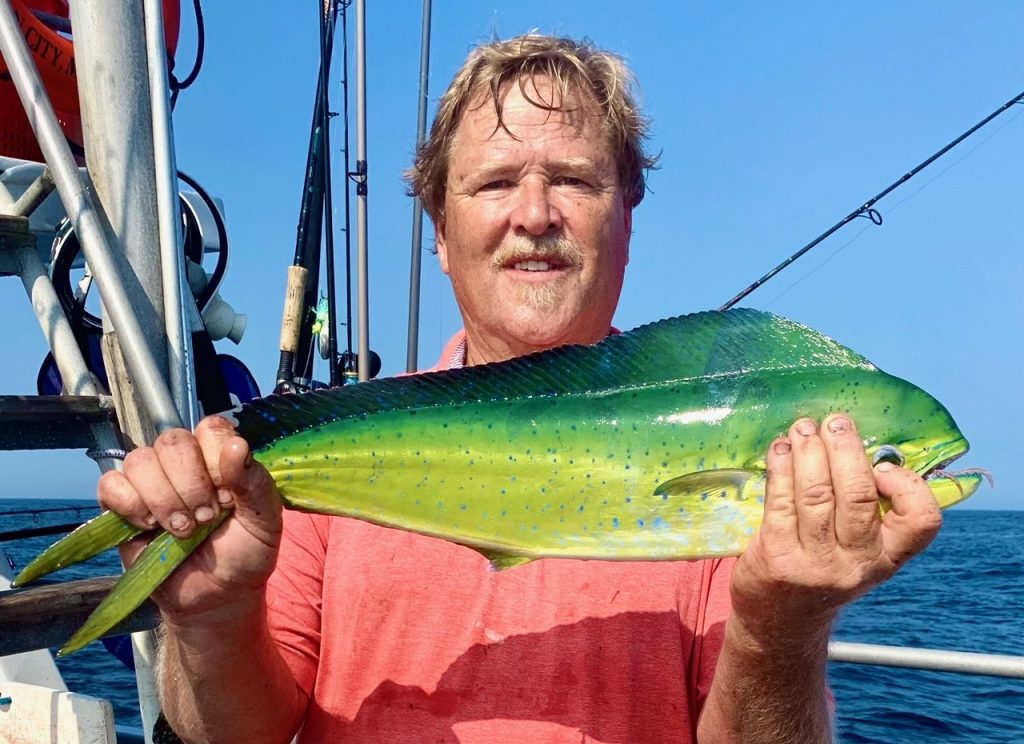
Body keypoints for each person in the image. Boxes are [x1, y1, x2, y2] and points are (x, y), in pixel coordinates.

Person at [101, 34, 942, 743]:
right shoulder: (322, 454)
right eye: (496, 183)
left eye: (574, 180)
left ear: (627, 215)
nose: (535, 213)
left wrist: (780, 628)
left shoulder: (736, 441)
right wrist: (209, 622)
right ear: (439, 230)